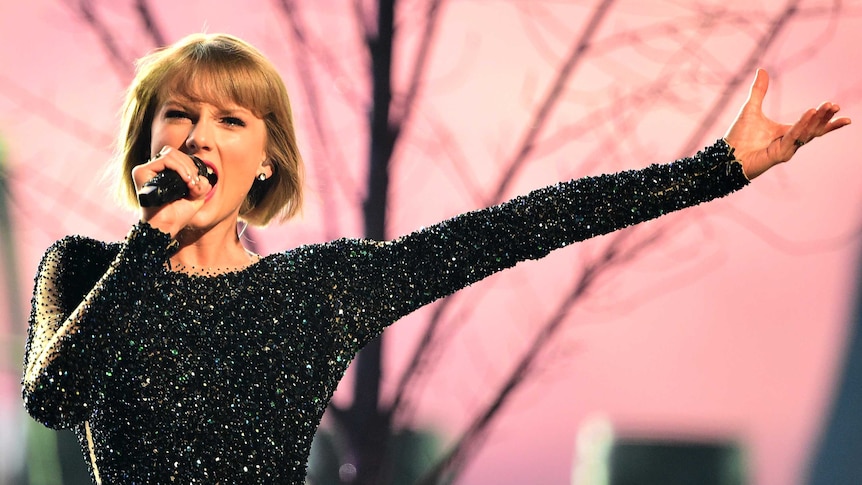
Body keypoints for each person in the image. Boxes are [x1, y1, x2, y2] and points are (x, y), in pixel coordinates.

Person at [21, 32, 849, 484]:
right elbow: (53, 398)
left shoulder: (320, 288)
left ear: (266, 159)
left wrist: (717, 170)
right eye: (180, 114)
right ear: (149, 136)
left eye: (231, 120)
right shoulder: (86, 268)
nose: (199, 134)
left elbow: (523, 225)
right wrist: (149, 242)